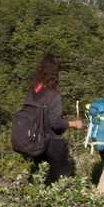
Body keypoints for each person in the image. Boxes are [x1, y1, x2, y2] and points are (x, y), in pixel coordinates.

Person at [28, 52, 82, 181]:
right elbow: (55, 123)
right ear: (55, 73)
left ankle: (30, 199)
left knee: (40, 176)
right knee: (65, 178)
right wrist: (74, 124)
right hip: (52, 141)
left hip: (35, 141)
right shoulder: (54, 94)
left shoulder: (31, 91)